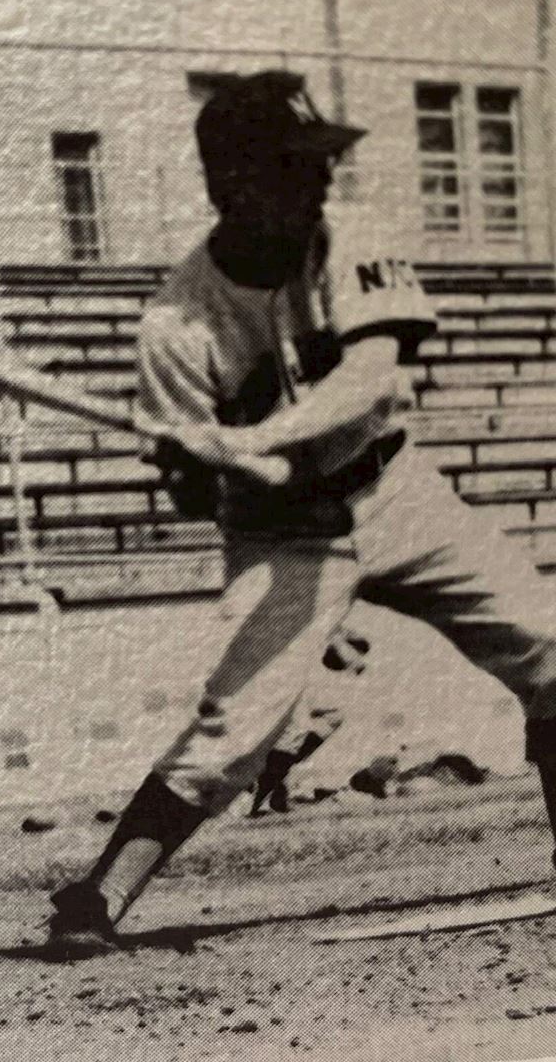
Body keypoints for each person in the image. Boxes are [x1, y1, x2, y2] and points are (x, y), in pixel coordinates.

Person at [44, 70, 556, 957]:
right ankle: (97, 897)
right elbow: (194, 499)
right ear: (233, 186)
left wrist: (263, 432)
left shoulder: (346, 238)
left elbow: (372, 378)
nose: (320, 181)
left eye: (319, 163)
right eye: (296, 167)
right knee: (234, 731)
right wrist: (196, 462)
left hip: (393, 489)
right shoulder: (176, 325)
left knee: (548, 646)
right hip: (283, 532)